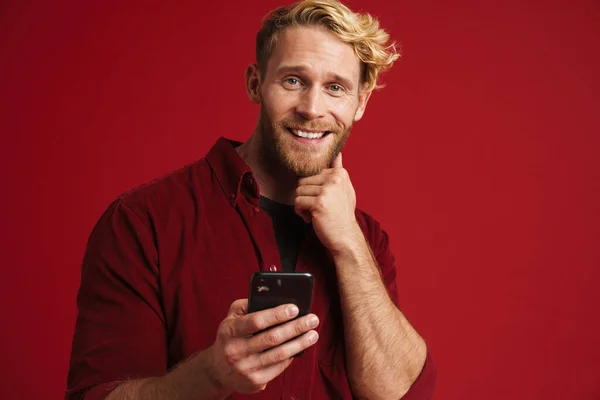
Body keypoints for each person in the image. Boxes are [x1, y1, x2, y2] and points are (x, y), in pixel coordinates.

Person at [66, 0, 437, 399]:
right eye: (293, 80)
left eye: (335, 88)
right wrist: (211, 374)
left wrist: (349, 245)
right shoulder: (143, 221)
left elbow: (400, 392)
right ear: (255, 83)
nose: (313, 109)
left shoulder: (365, 239)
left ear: (359, 103)